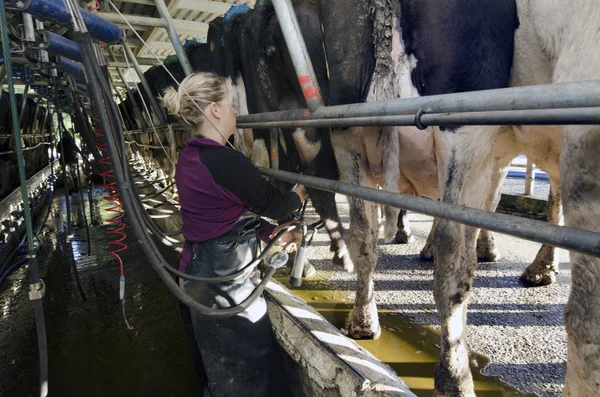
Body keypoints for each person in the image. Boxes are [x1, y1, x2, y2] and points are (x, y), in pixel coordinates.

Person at [161, 72, 308, 397]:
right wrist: (302, 189)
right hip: (224, 288)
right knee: (249, 382)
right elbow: (277, 205)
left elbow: (220, 214)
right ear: (214, 110)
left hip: (196, 274)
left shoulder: (189, 157)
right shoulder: (226, 162)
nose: (235, 113)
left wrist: (269, 233)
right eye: (230, 105)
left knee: (218, 372)